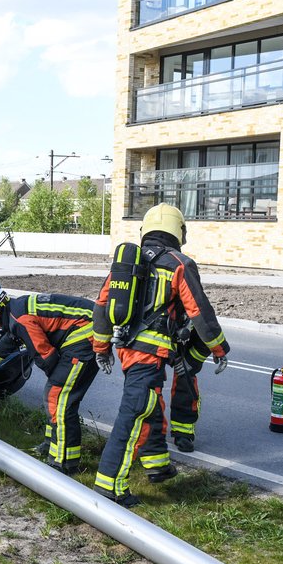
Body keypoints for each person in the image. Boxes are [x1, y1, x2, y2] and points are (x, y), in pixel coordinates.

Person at [91, 203, 229, 507]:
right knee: (136, 411)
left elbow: (101, 306)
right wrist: (219, 348)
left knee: (149, 404)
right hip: (150, 352)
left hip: (127, 348)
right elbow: (199, 311)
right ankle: (108, 485)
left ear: (146, 230)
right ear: (179, 232)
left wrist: (101, 349)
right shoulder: (179, 264)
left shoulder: (128, 262)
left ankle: (157, 465)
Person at [0, 287, 98, 475]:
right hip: (86, 329)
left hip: (85, 337)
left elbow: (44, 355)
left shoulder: (21, 319)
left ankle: (64, 464)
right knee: (54, 395)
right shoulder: (16, 310)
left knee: (57, 398)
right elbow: (9, 340)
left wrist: (55, 376)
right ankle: (50, 445)